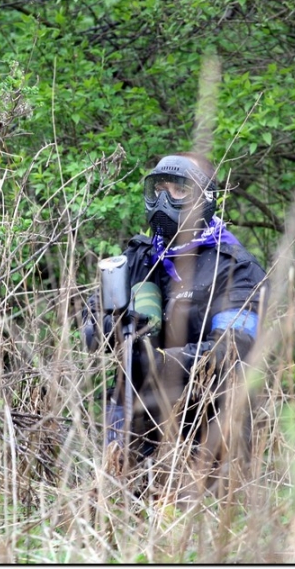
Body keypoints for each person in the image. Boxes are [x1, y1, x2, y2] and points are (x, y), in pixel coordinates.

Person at [84, 152, 268, 497]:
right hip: (134, 422)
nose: (164, 201)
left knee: (197, 523)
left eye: (179, 190)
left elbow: (231, 351)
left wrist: (157, 358)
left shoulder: (237, 269)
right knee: (119, 517)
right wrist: (119, 326)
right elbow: (92, 333)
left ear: (205, 198)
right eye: (159, 189)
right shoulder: (138, 258)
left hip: (206, 428)